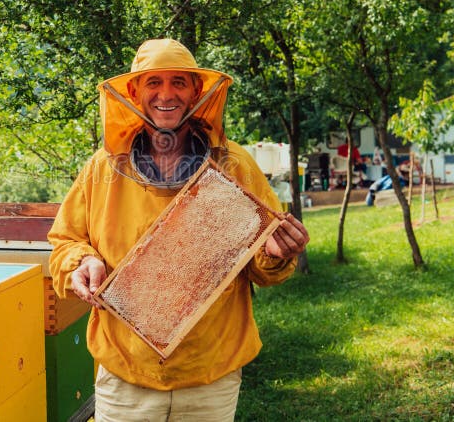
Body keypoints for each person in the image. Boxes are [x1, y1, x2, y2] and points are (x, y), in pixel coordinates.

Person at [48, 38, 309, 421]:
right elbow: (64, 242)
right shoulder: (102, 169)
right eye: (153, 82)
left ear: (196, 92)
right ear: (135, 93)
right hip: (126, 377)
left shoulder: (234, 165)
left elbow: (262, 267)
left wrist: (275, 254)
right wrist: (81, 262)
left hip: (209, 377)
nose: (165, 94)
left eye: (178, 82)